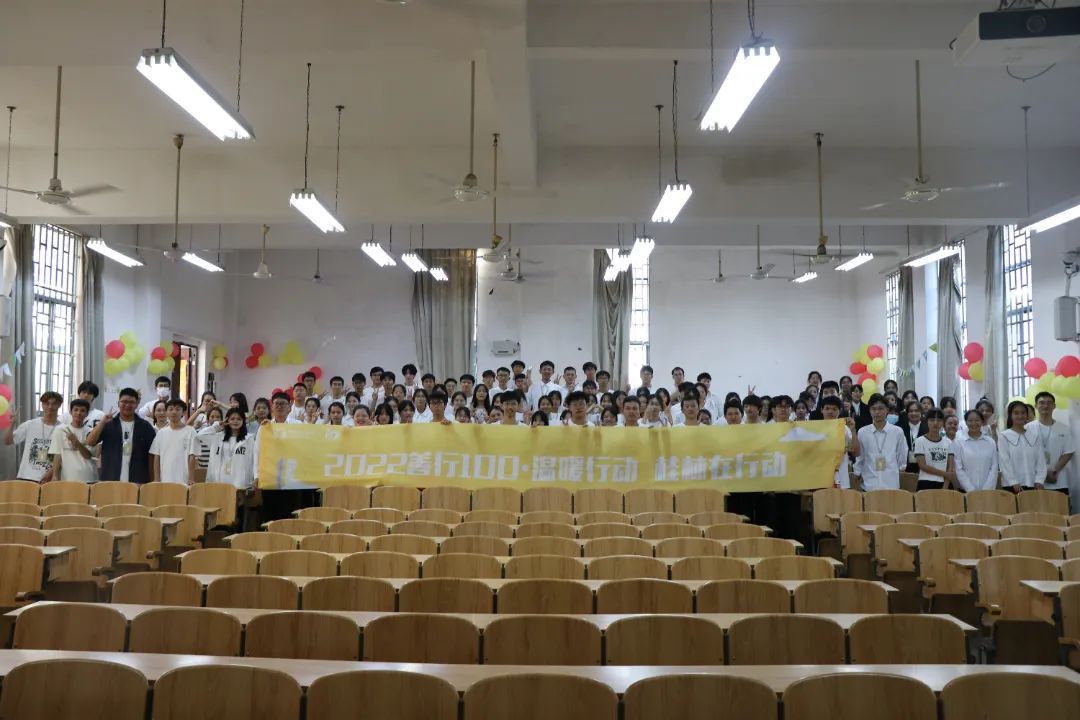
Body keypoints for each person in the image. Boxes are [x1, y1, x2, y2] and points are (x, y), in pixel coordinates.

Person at [87, 387, 156, 484]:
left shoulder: (146, 427)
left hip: (138, 480)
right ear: (118, 403)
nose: (127, 405)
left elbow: (152, 455)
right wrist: (102, 422)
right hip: (111, 478)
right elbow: (90, 442)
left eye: (131, 402)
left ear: (137, 404)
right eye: (124, 401)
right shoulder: (108, 424)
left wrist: (152, 480)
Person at [5, 391, 63, 482]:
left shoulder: (63, 429)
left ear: (59, 405)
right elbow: (8, 441)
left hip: (48, 479)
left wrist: (51, 473)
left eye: (54, 404)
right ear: (42, 405)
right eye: (47, 403)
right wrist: (11, 424)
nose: (50, 407)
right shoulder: (30, 424)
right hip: (26, 476)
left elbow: (63, 457)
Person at [854, 394, 909, 491]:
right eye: (873, 409)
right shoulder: (863, 432)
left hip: (891, 485)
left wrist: (898, 471)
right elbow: (860, 457)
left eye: (880, 408)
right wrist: (857, 472)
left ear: (887, 409)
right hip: (869, 485)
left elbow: (902, 456)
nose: (877, 412)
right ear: (869, 410)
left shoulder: (897, 431)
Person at [1028, 391, 1075, 495]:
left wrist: (1054, 470)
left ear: (1054, 406)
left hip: (1058, 481)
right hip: (1035, 481)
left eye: (1049, 403)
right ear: (1036, 406)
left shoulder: (1062, 428)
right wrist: (1042, 474)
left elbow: (1069, 452)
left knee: (1060, 506)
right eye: (1042, 402)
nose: (1045, 405)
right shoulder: (1028, 428)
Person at [198, 408, 256, 490]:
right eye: (232, 419)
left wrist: (252, 479)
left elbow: (253, 460)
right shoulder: (218, 437)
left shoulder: (249, 439)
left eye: (239, 419)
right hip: (219, 481)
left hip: (240, 482)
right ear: (227, 420)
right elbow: (200, 435)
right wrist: (217, 426)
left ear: (243, 421)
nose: (235, 421)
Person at [998, 399, 1047, 492]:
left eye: (1023, 413)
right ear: (1010, 415)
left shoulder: (1034, 436)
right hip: (1012, 486)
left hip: (1033, 484)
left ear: (1027, 415)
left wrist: (1039, 480)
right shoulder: (1004, 436)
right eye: (1016, 413)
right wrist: (1013, 481)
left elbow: (1041, 460)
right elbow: (1004, 461)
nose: (1020, 416)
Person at [47, 398, 97, 483]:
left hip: (89, 478)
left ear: (87, 414)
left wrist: (76, 442)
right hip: (67, 479)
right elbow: (57, 455)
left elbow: (88, 455)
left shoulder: (91, 432)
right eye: (76, 410)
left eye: (82, 410)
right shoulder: (60, 430)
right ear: (70, 412)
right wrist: (55, 476)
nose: (78, 413)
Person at [149, 399, 197, 485]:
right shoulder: (161, 433)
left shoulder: (191, 431)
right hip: (165, 480)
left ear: (183, 412)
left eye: (178, 409)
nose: (174, 412)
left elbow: (192, 456)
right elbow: (156, 456)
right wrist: (156, 479)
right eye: (170, 409)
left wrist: (191, 478)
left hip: (184, 480)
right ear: (167, 412)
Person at [952, 409, 998, 493]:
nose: (974, 423)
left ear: (982, 421)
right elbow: (958, 468)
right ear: (966, 422)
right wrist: (970, 490)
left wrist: (987, 489)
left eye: (977, 420)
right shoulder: (958, 442)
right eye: (970, 420)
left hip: (988, 492)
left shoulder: (990, 442)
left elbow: (994, 467)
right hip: (965, 491)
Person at [819, 396, 856, 488]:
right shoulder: (815, 429)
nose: (830, 412)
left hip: (841, 476)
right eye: (827, 408)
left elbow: (853, 450)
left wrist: (853, 430)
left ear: (839, 411)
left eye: (834, 409)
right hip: (820, 477)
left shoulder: (845, 429)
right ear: (821, 410)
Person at [913, 408, 954, 490]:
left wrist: (944, 488)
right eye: (932, 420)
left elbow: (950, 467)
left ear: (943, 422)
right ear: (927, 421)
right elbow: (923, 466)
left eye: (939, 420)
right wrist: (945, 474)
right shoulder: (920, 441)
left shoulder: (948, 442)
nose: (935, 423)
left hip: (945, 483)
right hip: (925, 483)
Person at [898, 402, 927, 472]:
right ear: (907, 413)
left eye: (916, 411)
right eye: (911, 411)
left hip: (923, 466)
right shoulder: (900, 428)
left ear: (921, 412)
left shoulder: (928, 428)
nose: (913, 413)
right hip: (904, 466)